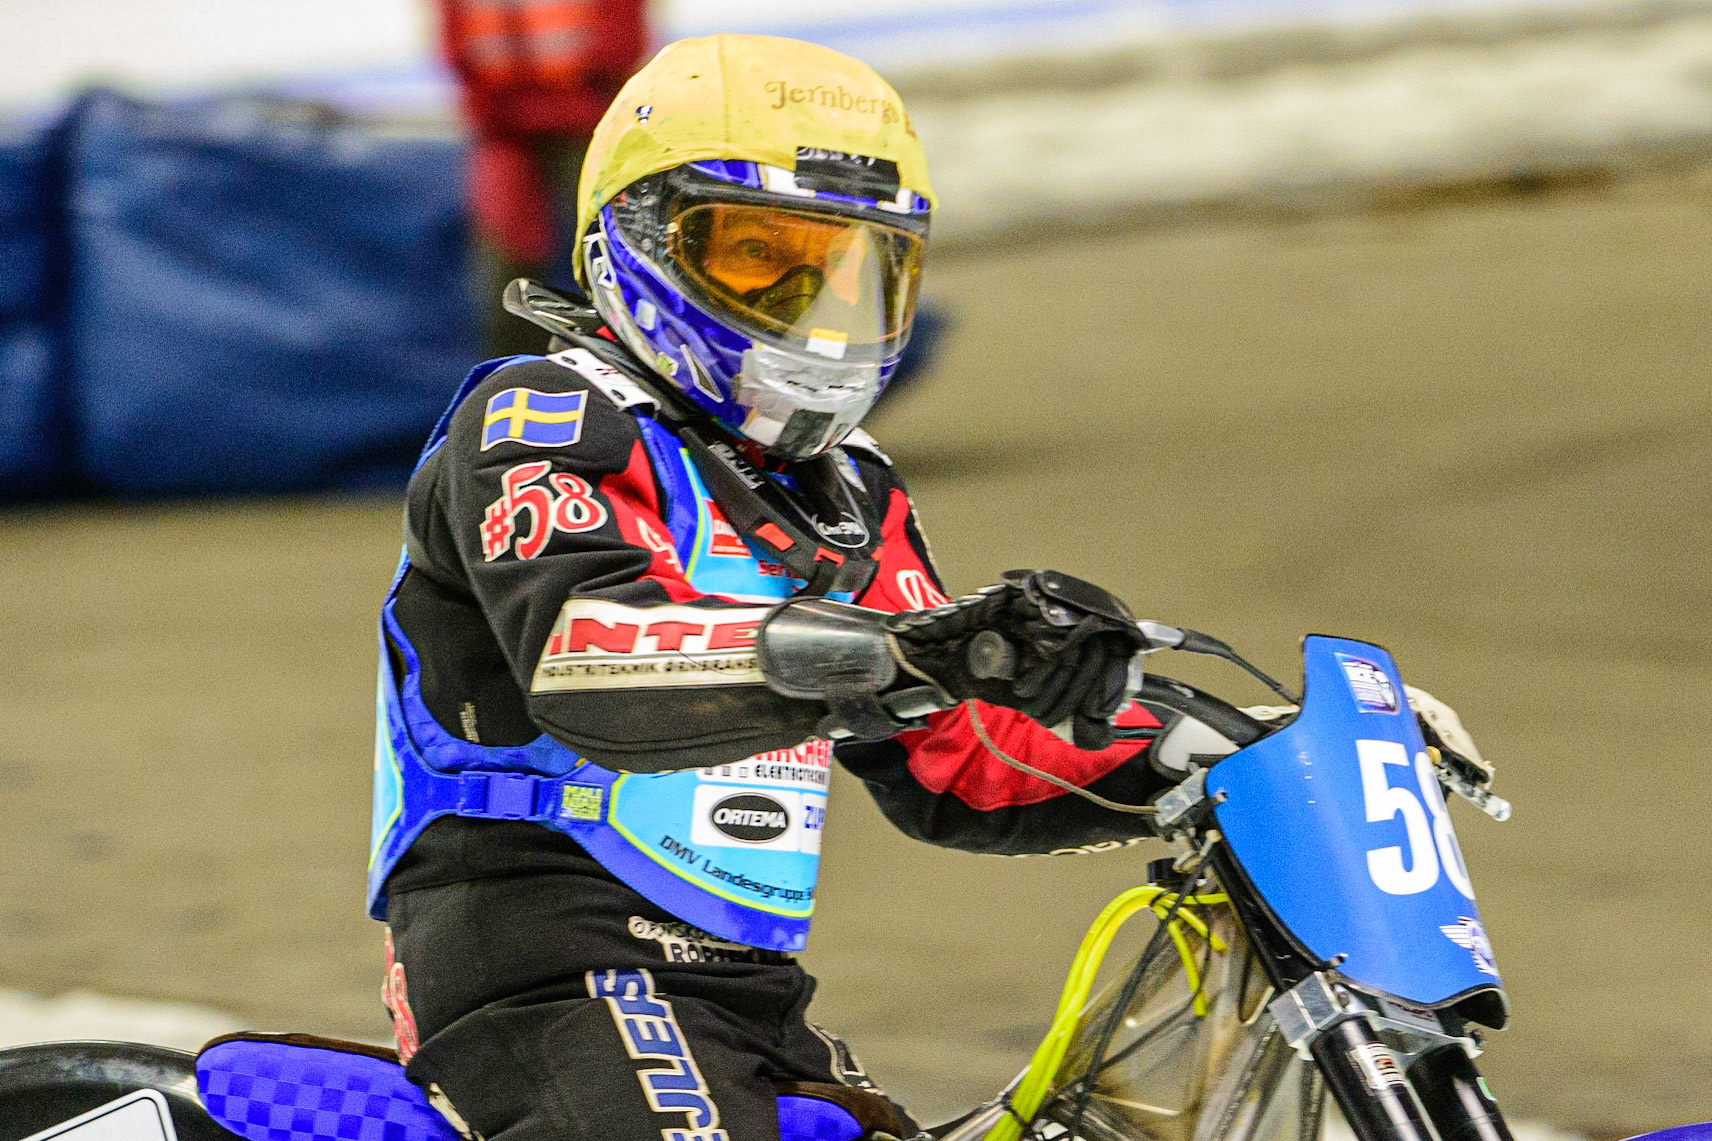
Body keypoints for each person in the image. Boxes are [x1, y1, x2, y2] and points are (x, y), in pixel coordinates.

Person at [370, 34, 1173, 1141]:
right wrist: (905, 652)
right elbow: (588, 658)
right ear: (633, 239)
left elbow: (958, 759)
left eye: (852, 270)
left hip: (746, 997)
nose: (812, 305)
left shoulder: (850, 488)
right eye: (758, 256)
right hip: (543, 973)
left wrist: (1212, 752)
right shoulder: (542, 417)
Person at [437, 0, 650, 358]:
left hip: (591, 122)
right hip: (504, 130)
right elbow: (457, 41)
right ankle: (510, 379)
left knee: (625, 257)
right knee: (504, 274)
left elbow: (621, 37)